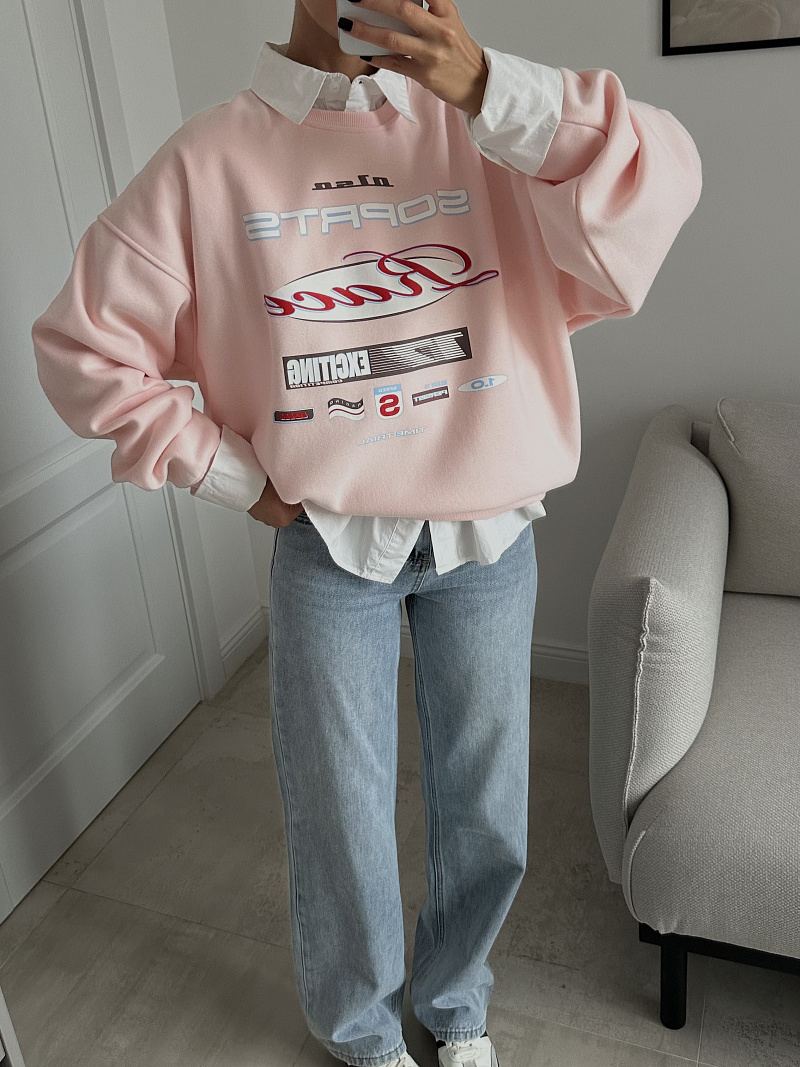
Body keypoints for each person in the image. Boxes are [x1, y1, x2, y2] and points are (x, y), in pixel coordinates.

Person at [30, 1, 703, 1065]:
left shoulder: (490, 125)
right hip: (329, 545)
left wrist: (492, 90)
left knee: (487, 805)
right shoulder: (213, 157)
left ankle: (457, 999)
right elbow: (82, 346)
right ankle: (359, 1030)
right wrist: (229, 472)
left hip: (489, 532)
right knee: (338, 812)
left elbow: (658, 179)